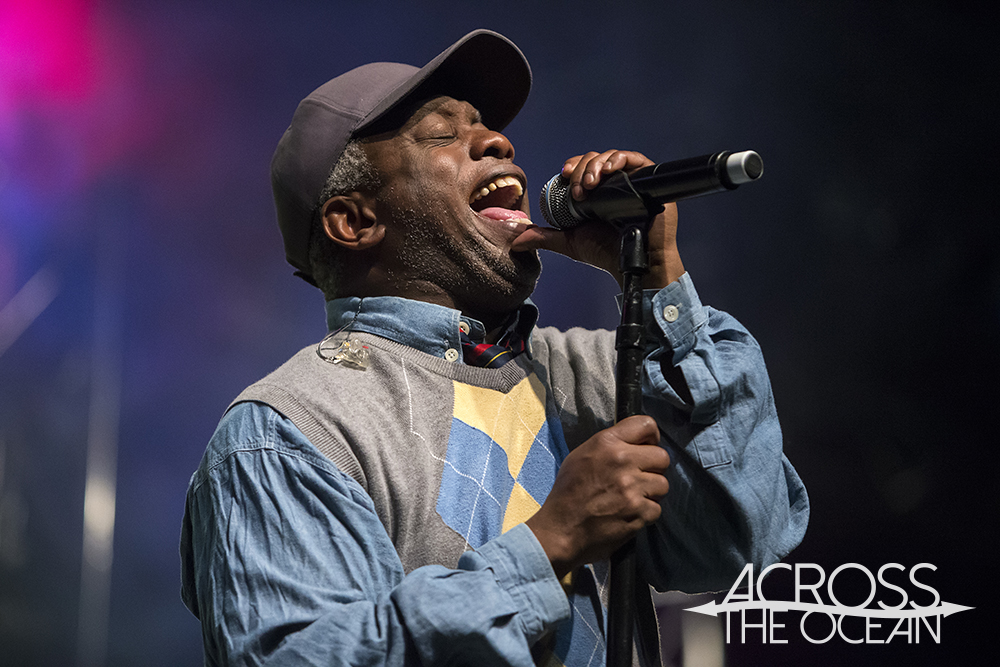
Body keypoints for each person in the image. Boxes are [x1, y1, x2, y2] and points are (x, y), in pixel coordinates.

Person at [180, 29, 808, 667]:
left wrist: (656, 276)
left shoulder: (593, 370)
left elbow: (741, 538)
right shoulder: (292, 430)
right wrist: (548, 545)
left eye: (485, 126)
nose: (499, 141)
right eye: (443, 135)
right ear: (356, 221)